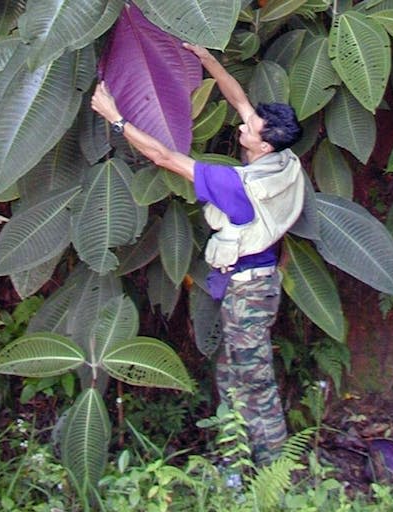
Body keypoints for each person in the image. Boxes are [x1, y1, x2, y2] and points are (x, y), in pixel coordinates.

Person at [91, 43, 304, 465]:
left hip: (249, 294)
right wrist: (205, 58)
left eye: (251, 128)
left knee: (255, 381)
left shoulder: (237, 185)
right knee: (229, 372)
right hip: (255, 286)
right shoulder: (282, 158)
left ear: (262, 145)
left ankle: (275, 472)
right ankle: (233, 463)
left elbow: (163, 156)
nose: (244, 126)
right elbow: (239, 99)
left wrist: (114, 118)